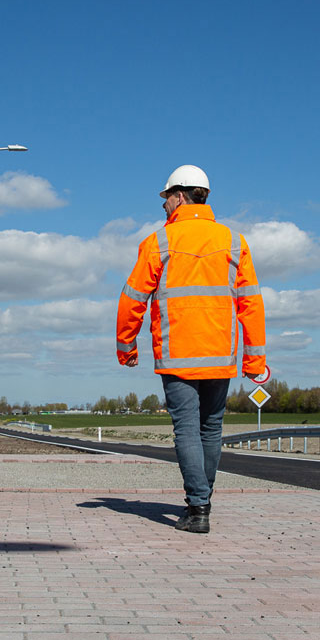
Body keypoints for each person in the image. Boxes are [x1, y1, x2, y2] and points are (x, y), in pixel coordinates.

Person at [116, 164, 266, 534]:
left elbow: (132, 299)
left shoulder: (158, 243)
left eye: (165, 198)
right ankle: (202, 499)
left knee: (186, 430)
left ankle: (199, 508)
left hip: (177, 353)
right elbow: (251, 303)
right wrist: (254, 359)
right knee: (211, 430)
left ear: (179, 196)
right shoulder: (234, 241)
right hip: (220, 355)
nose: (163, 206)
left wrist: (126, 346)